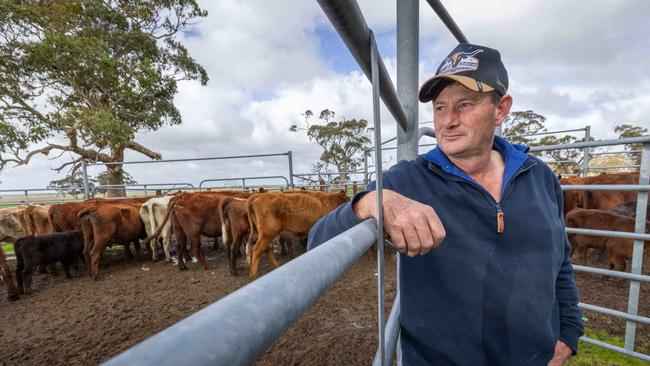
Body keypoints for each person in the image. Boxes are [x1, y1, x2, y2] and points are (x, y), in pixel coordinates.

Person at [307, 43, 584, 365]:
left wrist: (568, 333)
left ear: (500, 109)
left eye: (464, 105)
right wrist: (371, 200)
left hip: (536, 357)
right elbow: (318, 243)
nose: (448, 121)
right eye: (440, 108)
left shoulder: (539, 176)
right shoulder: (407, 180)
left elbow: (560, 261)